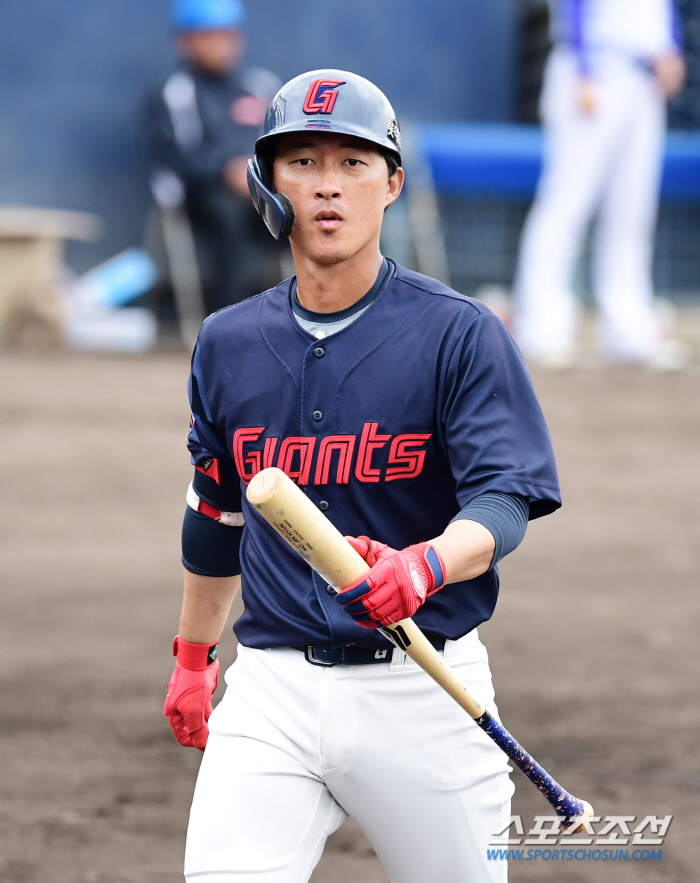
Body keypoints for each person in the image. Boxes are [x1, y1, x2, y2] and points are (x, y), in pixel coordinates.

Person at [164, 69, 562, 882]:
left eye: (352, 162)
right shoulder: (227, 342)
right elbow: (217, 515)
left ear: (392, 184)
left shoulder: (459, 333)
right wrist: (195, 655)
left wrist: (423, 566)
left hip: (425, 683)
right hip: (271, 689)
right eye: (303, 162)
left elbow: (504, 499)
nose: (328, 186)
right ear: (268, 185)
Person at [513, 0, 687, 368]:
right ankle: (543, 328)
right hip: (594, 69)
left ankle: (628, 331)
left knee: (632, 210)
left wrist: (670, 46)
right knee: (566, 204)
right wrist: (584, 68)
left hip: (643, 77)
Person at [144, 0, 282, 315]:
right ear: (184, 41)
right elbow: (175, 157)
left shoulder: (259, 85)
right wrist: (226, 170)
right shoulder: (173, 90)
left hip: (259, 187)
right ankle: (231, 321)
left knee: (306, 209)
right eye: (210, 36)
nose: (222, 45)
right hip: (202, 195)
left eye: (228, 35)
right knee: (231, 216)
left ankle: (322, 313)